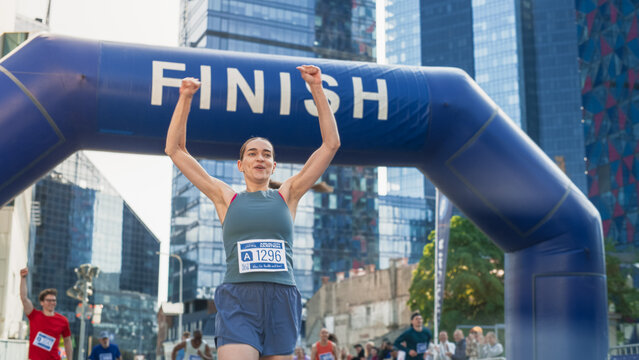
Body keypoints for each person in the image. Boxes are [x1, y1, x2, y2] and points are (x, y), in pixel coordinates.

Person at [165, 64, 340, 360]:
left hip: (282, 299)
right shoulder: (225, 197)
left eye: (267, 154)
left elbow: (331, 144)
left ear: (274, 166)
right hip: (239, 300)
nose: (260, 157)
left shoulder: (288, 194)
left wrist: (317, 89)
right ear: (241, 164)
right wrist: (185, 98)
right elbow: (175, 149)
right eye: (252, 153)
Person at [20, 267, 73, 360]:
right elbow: (24, 298)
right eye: (49, 300)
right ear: (42, 302)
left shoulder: (63, 321)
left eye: (54, 300)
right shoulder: (34, 315)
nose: (52, 303)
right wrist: (23, 278)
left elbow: (67, 341)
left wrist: (70, 359)